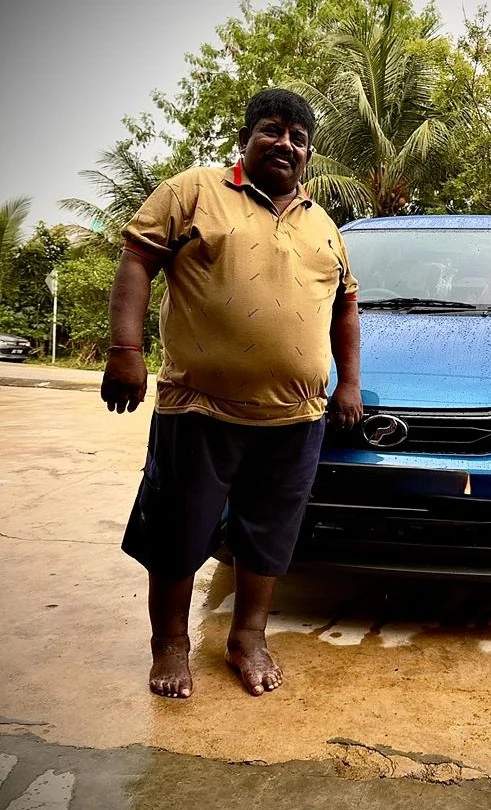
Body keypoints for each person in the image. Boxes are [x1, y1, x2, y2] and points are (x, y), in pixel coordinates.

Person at [101, 89, 362, 699]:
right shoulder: (193, 191)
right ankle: (170, 644)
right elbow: (137, 260)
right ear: (245, 138)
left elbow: (345, 306)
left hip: (296, 417)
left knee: (269, 534)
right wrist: (125, 350)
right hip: (199, 409)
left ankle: (248, 637)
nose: (286, 144)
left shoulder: (322, 224)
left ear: (308, 153)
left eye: (299, 138)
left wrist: (348, 383)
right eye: (272, 130)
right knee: (178, 531)